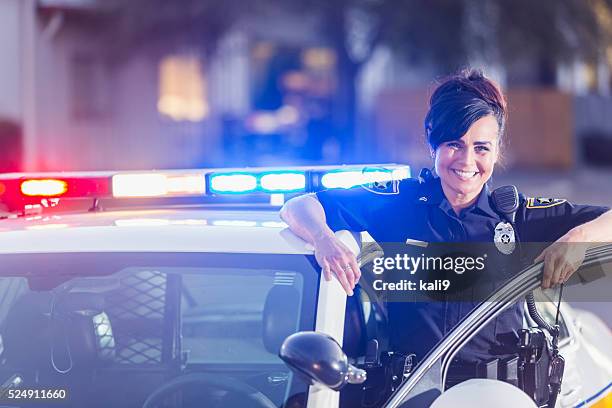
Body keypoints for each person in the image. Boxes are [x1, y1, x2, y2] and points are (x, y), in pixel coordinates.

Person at [280, 69, 612, 366]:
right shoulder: (399, 204)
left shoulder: (518, 217)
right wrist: (324, 238)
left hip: (496, 398)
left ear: (496, 151)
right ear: (432, 142)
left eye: (481, 148)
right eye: (454, 144)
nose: (467, 161)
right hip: (411, 396)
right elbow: (299, 205)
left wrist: (577, 239)